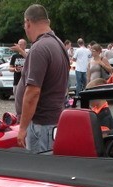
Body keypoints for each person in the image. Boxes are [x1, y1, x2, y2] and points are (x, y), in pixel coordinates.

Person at [15, 4, 70, 152]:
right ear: (48, 22)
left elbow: (33, 93)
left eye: (24, 25)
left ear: (28, 22)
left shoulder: (39, 48)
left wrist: (23, 128)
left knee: (38, 170)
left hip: (40, 125)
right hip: (52, 122)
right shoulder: (58, 44)